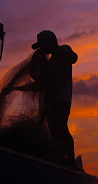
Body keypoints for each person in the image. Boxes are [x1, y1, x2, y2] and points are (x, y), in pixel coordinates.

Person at [31, 30, 78, 168]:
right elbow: (41, 83)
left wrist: (53, 49)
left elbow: (73, 58)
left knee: (61, 127)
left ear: (50, 42)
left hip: (62, 100)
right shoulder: (50, 62)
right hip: (50, 103)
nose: (41, 48)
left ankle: (71, 160)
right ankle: (59, 157)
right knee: (53, 131)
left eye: (42, 44)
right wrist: (13, 89)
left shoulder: (63, 50)